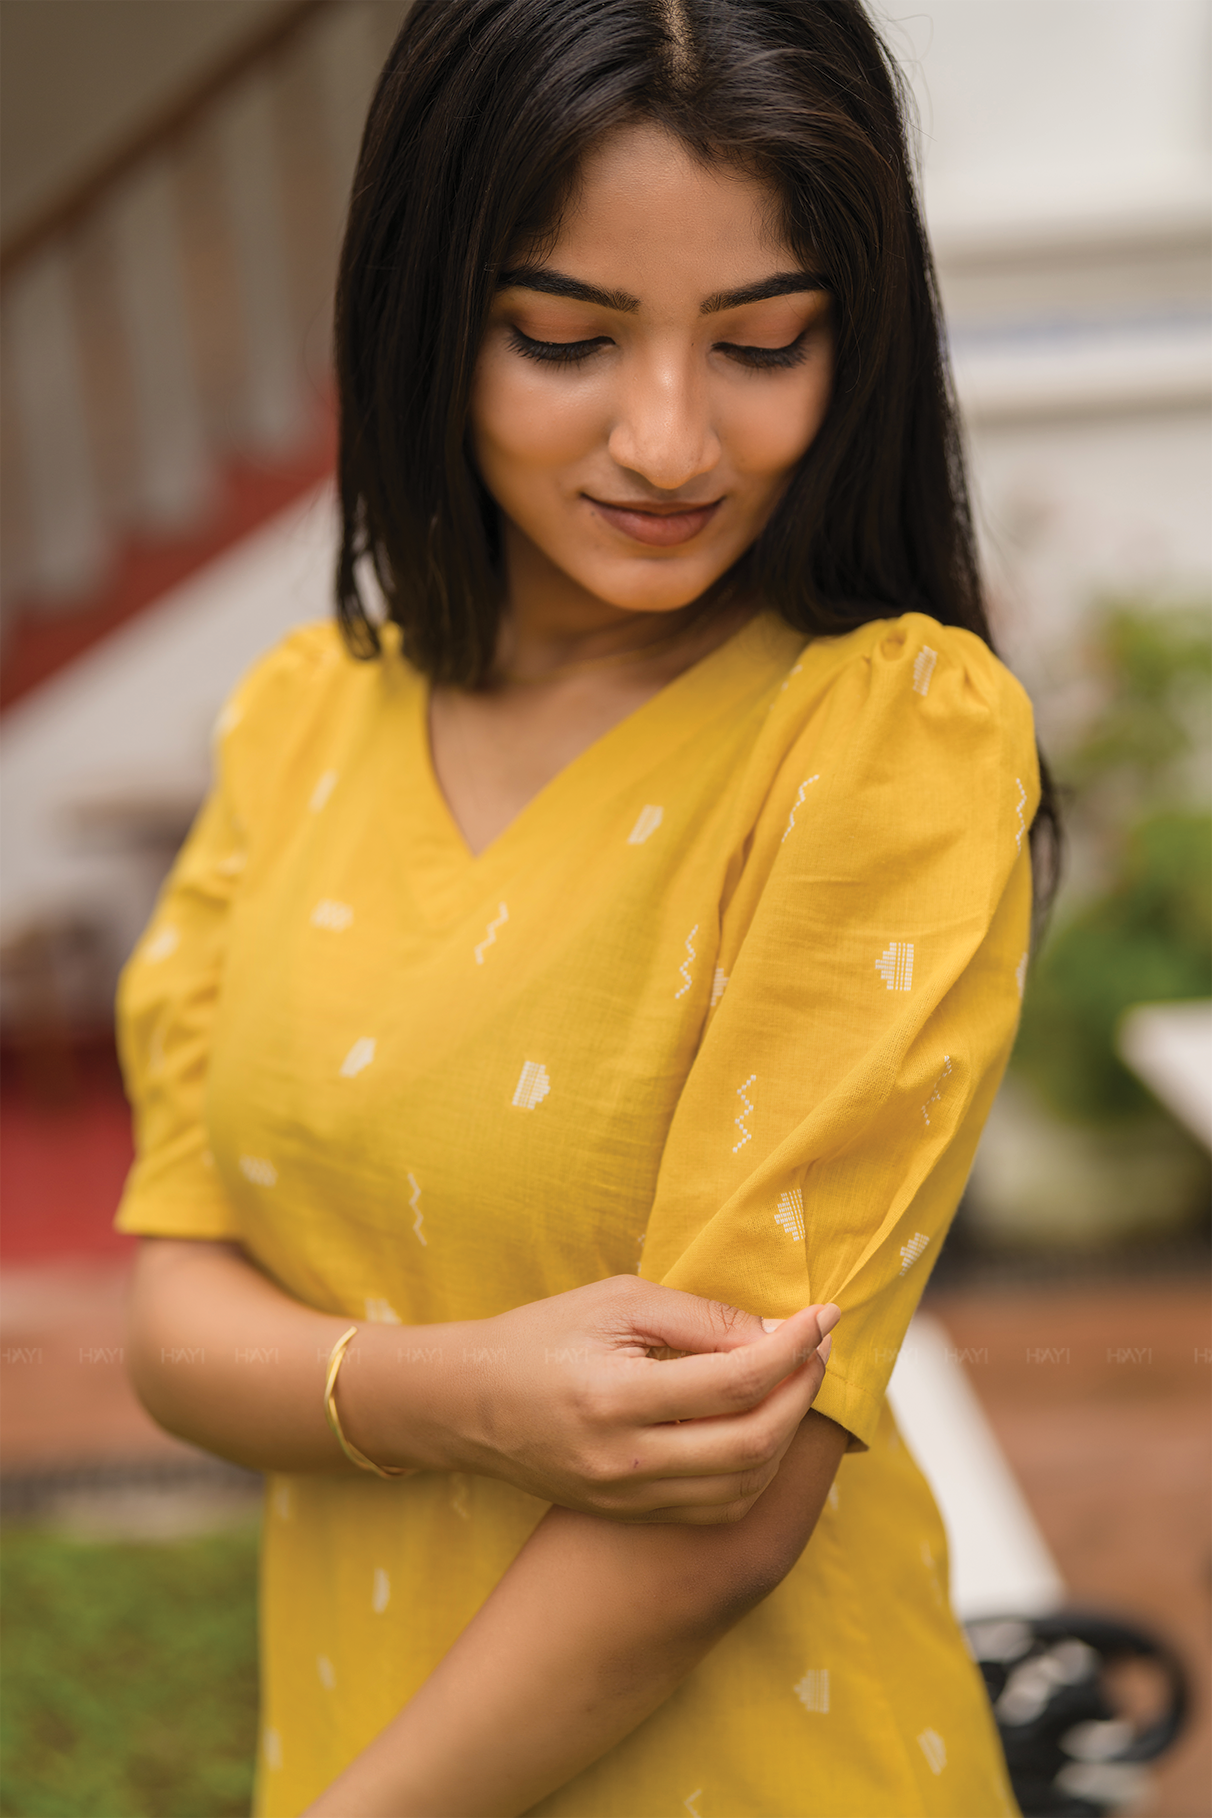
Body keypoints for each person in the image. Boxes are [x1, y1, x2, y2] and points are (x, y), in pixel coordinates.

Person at [117, 2, 1051, 1813]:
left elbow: (718, 1505)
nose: (670, 438)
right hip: (360, 1733)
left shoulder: (881, 738)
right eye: (565, 337)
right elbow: (172, 1315)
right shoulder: (307, 715)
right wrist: (470, 1387)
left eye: (765, 341)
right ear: (424, 314)